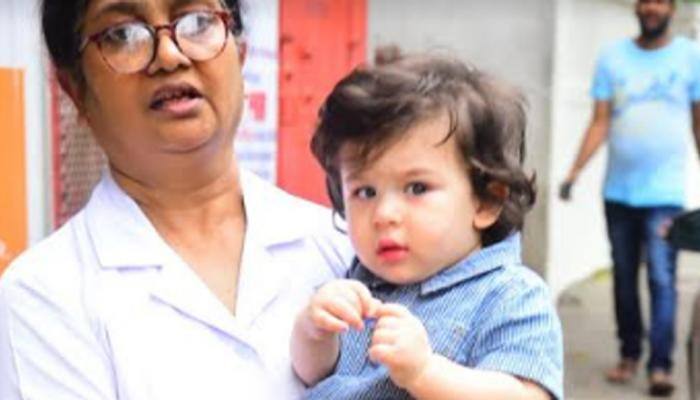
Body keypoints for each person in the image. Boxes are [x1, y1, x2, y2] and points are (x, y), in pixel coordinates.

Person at [0, 0, 353, 398]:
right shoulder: (43, 295)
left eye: (198, 21)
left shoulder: (342, 244)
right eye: (122, 34)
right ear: (74, 89)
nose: (169, 55)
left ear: (240, 53)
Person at [291, 53, 564, 400]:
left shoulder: (511, 295)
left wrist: (425, 372)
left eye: (417, 188)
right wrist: (313, 333)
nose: (384, 214)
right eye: (365, 192)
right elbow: (315, 374)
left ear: (486, 201)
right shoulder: (356, 283)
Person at [560, 0, 700, 396]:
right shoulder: (612, 58)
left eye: (659, 1)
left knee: (661, 278)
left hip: (665, 195)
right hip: (618, 193)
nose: (651, 7)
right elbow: (599, 121)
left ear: (672, 8)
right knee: (623, 279)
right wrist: (574, 172)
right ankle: (629, 354)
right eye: (645, 1)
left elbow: (698, 122)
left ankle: (660, 366)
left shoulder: (691, 58)